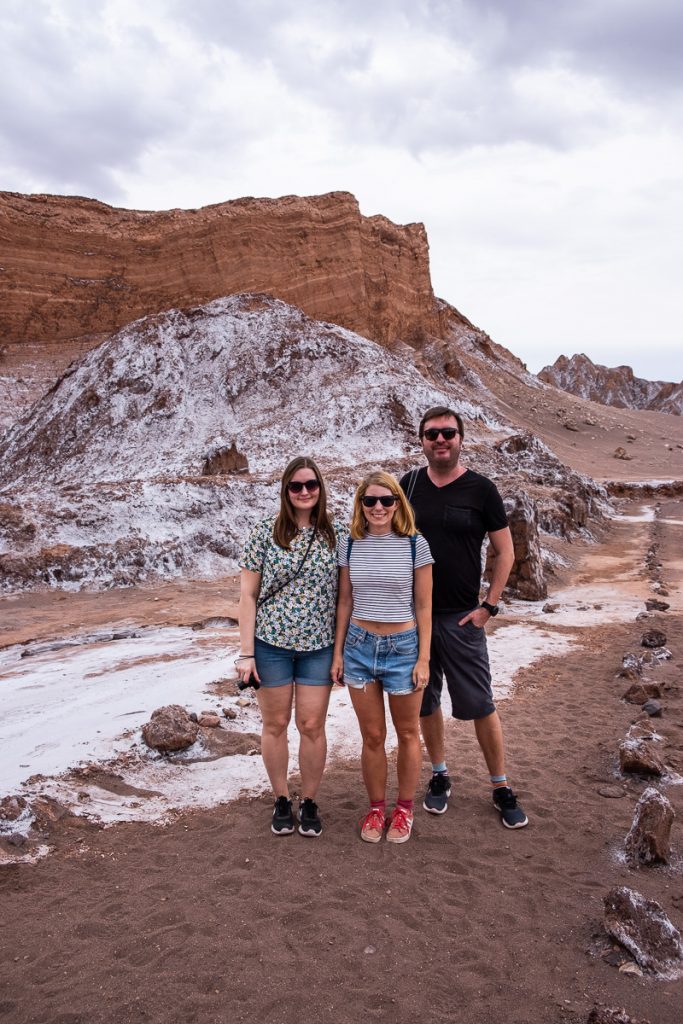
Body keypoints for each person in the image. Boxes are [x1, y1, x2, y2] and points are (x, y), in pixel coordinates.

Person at [400, 406, 528, 829]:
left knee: (480, 703)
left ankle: (500, 786)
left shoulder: (481, 490)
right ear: (421, 440)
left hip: (461, 619)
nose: (440, 440)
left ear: (460, 438)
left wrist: (488, 605)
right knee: (425, 700)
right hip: (413, 620)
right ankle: (439, 775)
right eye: (432, 434)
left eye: (448, 433)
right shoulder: (408, 486)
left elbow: (504, 550)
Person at [237, 456, 341, 838]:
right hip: (271, 646)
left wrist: (342, 651)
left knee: (312, 725)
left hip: (318, 647)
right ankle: (281, 798)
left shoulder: (336, 534)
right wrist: (246, 653)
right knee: (275, 724)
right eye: (295, 486)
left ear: (320, 489)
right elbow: (248, 596)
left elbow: (345, 597)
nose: (303, 492)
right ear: (285, 491)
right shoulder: (264, 534)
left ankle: (309, 800)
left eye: (310, 485)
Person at [331, 471, 433, 844]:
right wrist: (339, 652)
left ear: (397, 503)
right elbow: (344, 600)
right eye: (370, 501)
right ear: (360, 504)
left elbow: (424, 604)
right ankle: (376, 808)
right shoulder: (350, 543)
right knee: (372, 735)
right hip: (358, 647)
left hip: (403, 647)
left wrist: (423, 658)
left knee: (407, 733)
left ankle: (403, 810)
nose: (378, 507)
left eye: (386, 501)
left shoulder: (414, 545)